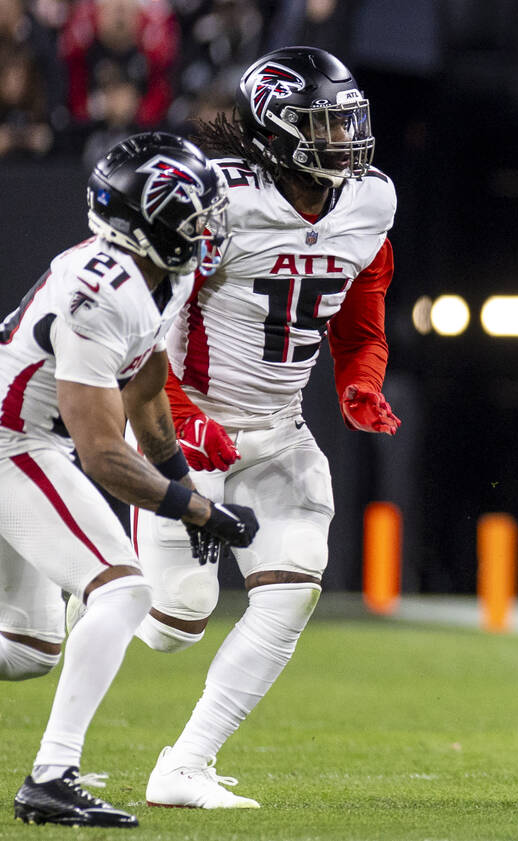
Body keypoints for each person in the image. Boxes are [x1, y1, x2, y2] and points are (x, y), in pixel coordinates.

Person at [133, 45, 398, 809]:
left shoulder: (369, 200)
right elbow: (145, 327)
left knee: (293, 586)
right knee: (176, 619)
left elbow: (361, 311)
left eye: (349, 120)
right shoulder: (216, 198)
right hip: (187, 425)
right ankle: (83, 590)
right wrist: (181, 421)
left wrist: (360, 380)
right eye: (324, 123)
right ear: (276, 131)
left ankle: (185, 764)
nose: (345, 138)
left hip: (279, 430)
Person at [0, 131, 258, 827]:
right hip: (13, 442)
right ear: (144, 220)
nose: (207, 229)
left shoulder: (161, 276)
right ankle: (51, 777)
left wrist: (183, 485)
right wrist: (198, 510)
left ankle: (52, 775)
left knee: (27, 650)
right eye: (193, 215)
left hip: (28, 443)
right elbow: (102, 454)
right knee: (122, 589)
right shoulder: (99, 290)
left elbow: (146, 392)